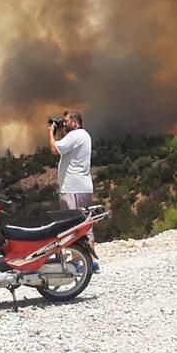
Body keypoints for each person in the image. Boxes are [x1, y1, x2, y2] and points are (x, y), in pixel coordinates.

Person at [48, 110, 99, 273]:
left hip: (72, 188)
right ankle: (91, 262)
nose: (64, 123)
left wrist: (51, 132)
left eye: (66, 121)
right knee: (85, 224)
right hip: (83, 187)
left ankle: (78, 262)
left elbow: (55, 149)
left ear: (75, 122)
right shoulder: (84, 135)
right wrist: (60, 131)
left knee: (72, 226)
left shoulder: (75, 135)